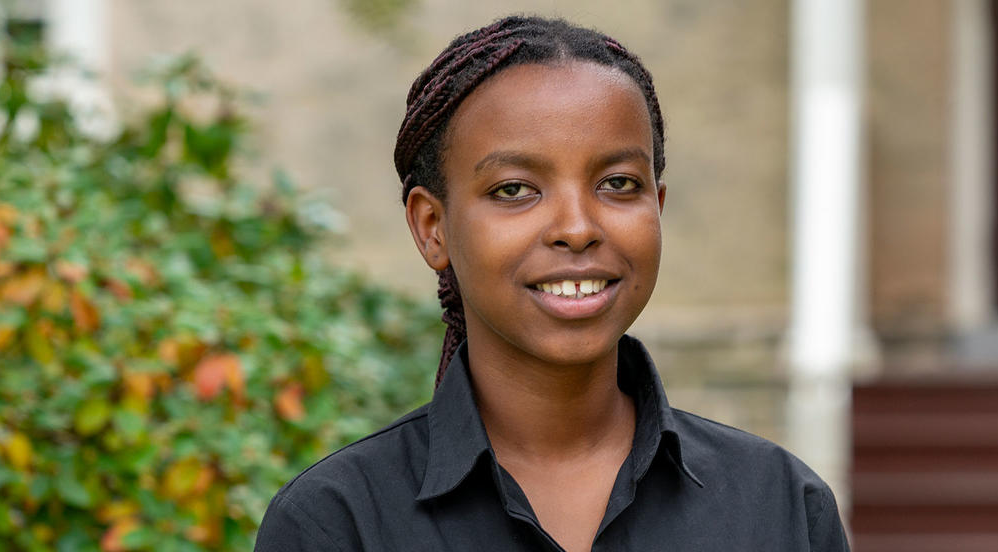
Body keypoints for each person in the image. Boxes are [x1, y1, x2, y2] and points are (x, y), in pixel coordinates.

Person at [255, 15, 850, 552]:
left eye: (618, 184)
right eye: (515, 190)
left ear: (658, 206)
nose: (576, 228)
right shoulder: (339, 522)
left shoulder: (780, 507)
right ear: (432, 227)